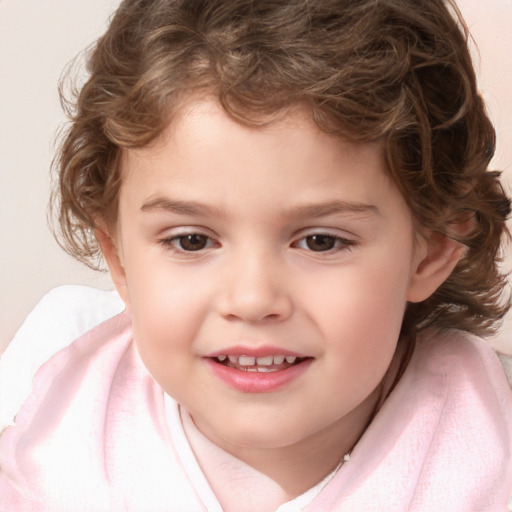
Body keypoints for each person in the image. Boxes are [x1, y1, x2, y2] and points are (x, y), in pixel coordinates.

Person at [1, 0, 511, 510]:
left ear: (433, 250)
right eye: (191, 240)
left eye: (320, 241)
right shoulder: (54, 422)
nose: (251, 299)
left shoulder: (489, 455)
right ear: (118, 257)